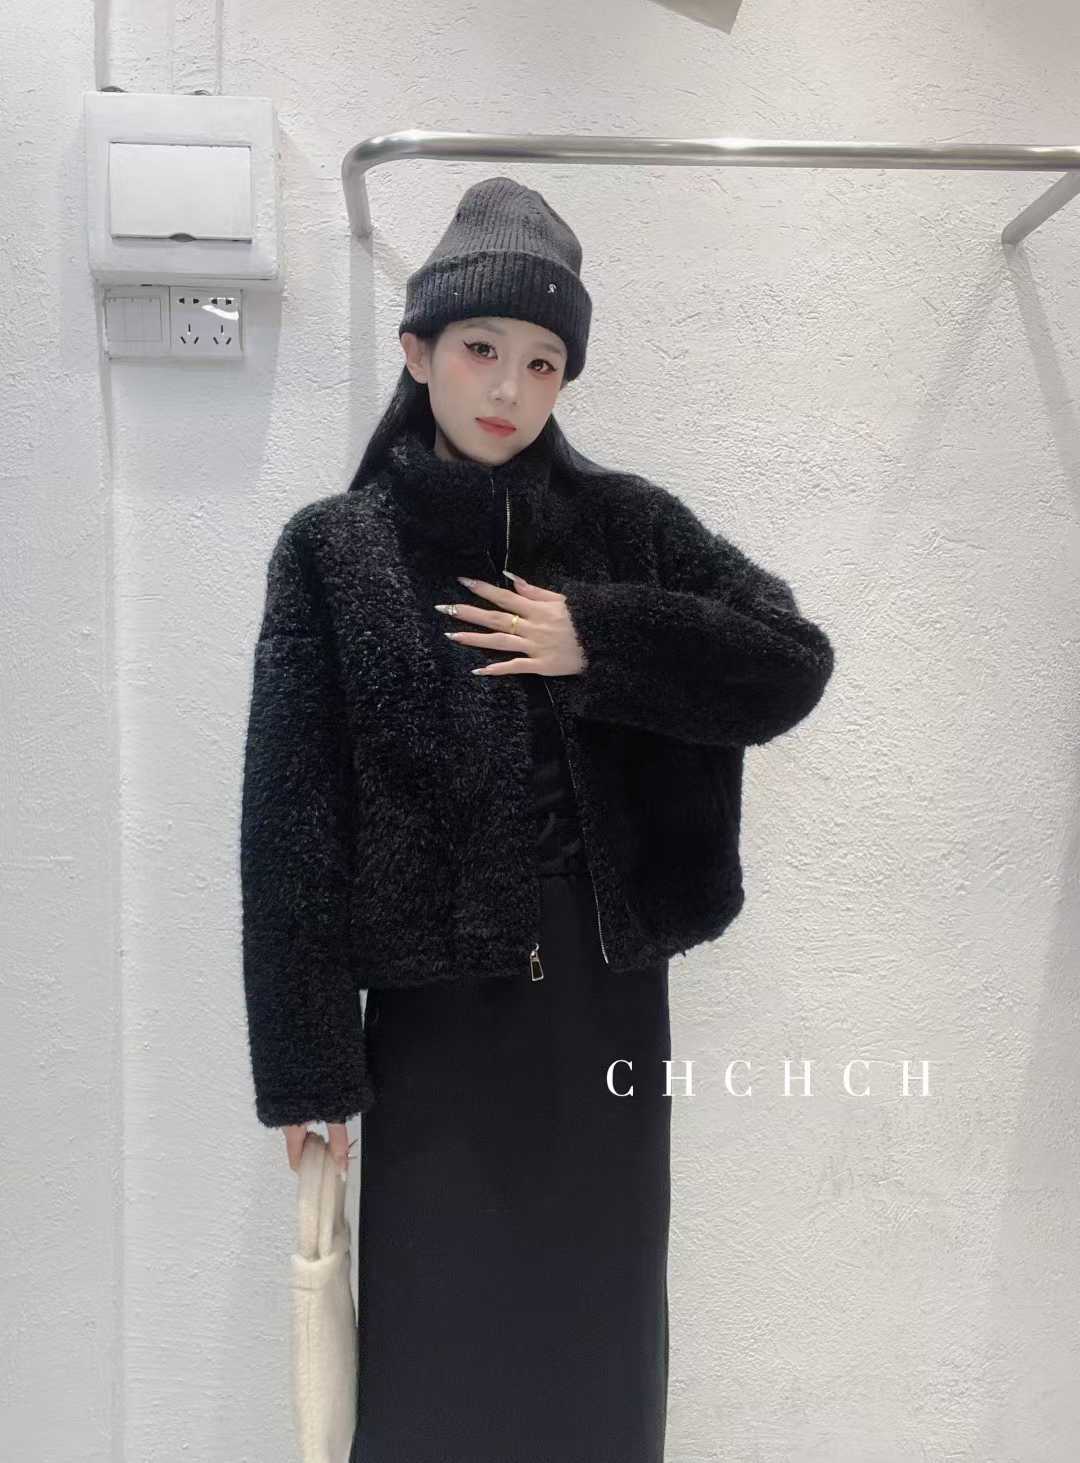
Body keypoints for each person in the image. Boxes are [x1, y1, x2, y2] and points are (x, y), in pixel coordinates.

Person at [239, 175, 835, 1463]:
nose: (509, 387)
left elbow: (791, 663)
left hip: (603, 1001)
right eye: (481, 349)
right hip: (433, 1019)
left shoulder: (626, 528)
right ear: (419, 352)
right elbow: (290, 819)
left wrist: (598, 638)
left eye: (543, 361)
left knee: (599, 1342)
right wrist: (305, 1066)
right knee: (434, 1348)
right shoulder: (337, 550)